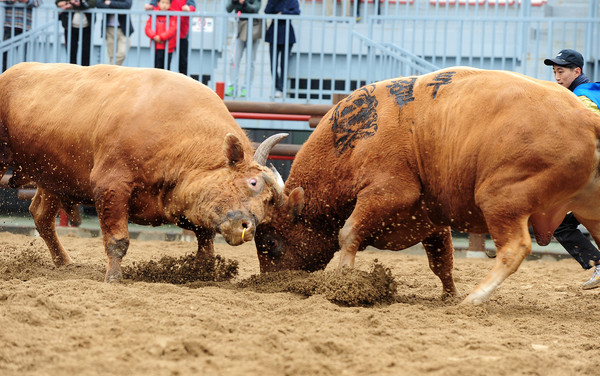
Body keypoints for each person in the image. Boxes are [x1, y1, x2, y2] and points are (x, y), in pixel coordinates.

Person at [544, 48, 600, 290]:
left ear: (577, 71)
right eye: (554, 72)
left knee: (558, 223)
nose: (557, 78)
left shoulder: (582, 97)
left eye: (561, 72)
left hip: (591, 177)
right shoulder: (585, 92)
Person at [145, 0, 195, 75]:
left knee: (182, 62)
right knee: (159, 66)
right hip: (163, 40)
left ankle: (183, 85)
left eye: (167, 3)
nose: (165, 5)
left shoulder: (173, 16)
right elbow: (153, 5)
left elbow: (192, 6)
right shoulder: (158, 11)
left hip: (181, 32)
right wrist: (150, 7)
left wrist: (189, 8)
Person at [225, 0, 262, 98]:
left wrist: (244, 3)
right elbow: (228, 8)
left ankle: (246, 88)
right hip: (239, 28)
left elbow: (255, 8)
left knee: (250, 62)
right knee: (234, 60)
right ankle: (232, 86)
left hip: (253, 28)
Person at [264, 0, 300, 98]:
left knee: (284, 64)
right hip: (274, 33)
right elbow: (267, 10)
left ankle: (281, 88)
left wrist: (283, 13)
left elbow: (297, 12)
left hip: (287, 34)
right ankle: (277, 87)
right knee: (273, 64)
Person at [1, 0, 42, 72]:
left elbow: (38, 3)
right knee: (4, 56)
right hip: (9, 26)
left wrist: (26, 1)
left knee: (22, 57)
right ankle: (3, 77)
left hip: (24, 27)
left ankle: (22, 76)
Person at [55, 0, 96, 66]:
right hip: (70, 27)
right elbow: (58, 3)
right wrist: (70, 3)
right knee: (71, 53)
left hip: (86, 27)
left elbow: (91, 4)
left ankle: (85, 74)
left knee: (86, 53)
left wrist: (72, 5)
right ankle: (72, 74)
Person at [96, 0, 134, 65]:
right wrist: (118, 9)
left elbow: (127, 5)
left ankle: (109, 69)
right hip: (109, 29)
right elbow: (98, 4)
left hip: (123, 29)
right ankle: (112, 72)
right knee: (111, 55)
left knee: (122, 53)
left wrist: (110, 3)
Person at [145, 0, 177, 70]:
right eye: (163, 2)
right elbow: (147, 28)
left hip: (168, 47)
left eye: (167, 3)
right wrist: (154, 36)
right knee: (157, 68)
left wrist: (161, 37)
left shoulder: (172, 15)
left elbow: (173, 29)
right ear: (158, 3)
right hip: (156, 47)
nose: (165, 5)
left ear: (170, 5)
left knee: (166, 69)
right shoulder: (154, 14)